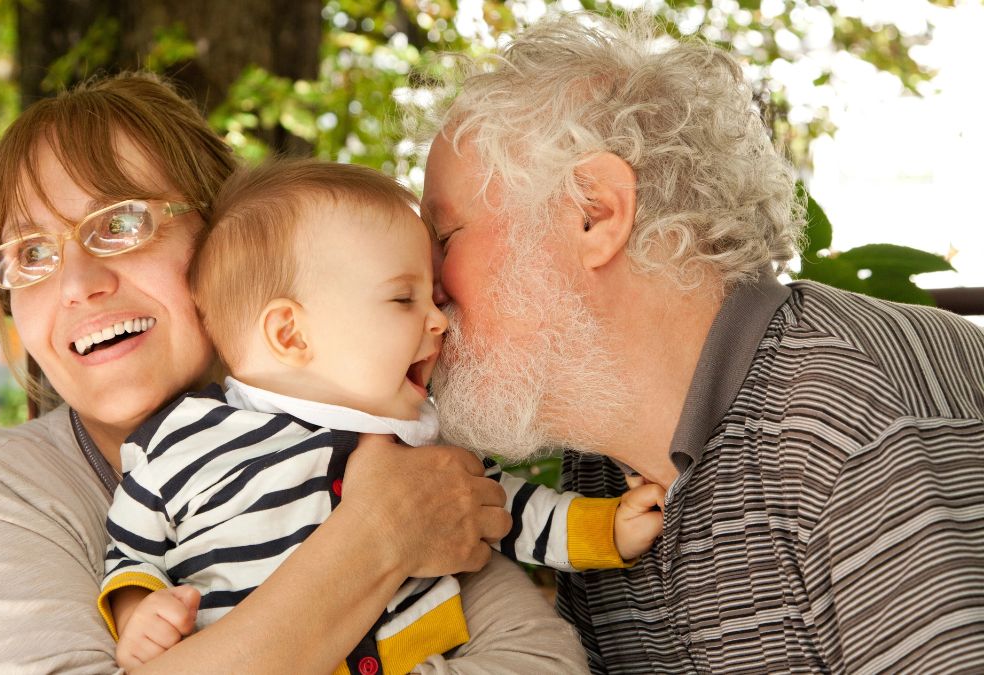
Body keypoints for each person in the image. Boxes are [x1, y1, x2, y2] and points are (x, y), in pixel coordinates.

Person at [0, 72, 589, 674]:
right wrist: (377, 534)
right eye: (30, 253)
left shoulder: (374, 426)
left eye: (120, 222)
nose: (78, 283)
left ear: (220, 238)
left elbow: (540, 659)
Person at [420, 13, 984, 674]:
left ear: (594, 212)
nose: (424, 284)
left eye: (445, 236)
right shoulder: (601, 464)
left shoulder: (843, 406)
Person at [98, 159, 666, 672]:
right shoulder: (180, 442)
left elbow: (506, 509)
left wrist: (605, 528)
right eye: (403, 299)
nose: (439, 320)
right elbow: (130, 549)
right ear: (291, 333)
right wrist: (138, 610)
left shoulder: (415, 446)